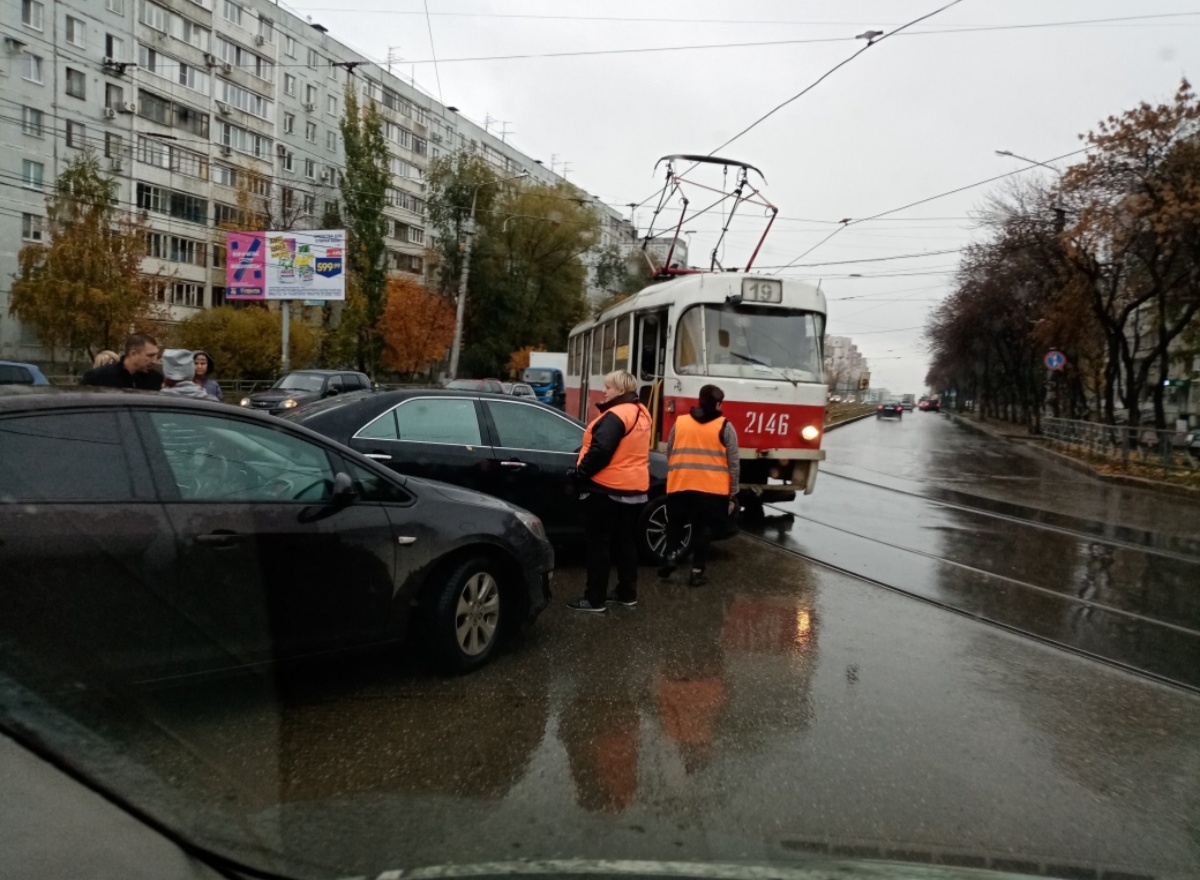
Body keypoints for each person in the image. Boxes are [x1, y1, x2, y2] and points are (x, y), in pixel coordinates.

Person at [566, 369, 652, 613]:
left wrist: (579, 474)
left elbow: (601, 451)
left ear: (621, 390)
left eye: (609, 387)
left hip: (606, 487)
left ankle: (594, 599)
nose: (605, 390)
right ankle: (627, 593)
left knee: (598, 544)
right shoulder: (641, 413)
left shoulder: (615, 415)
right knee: (625, 541)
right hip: (634, 488)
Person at [659, 384, 739, 587]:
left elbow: (670, 450)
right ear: (719, 404)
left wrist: (679, 472)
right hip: (711, 490)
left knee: (675, 523)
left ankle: (669, 557)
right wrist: (733, 491)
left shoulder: (681, 423)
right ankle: (696, 572)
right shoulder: (725, 426)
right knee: (702, 529)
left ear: (699, 400)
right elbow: (733, 462)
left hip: (681, 483)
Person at [80, 333, 163, 390]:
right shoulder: (97, 378)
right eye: (150, 356)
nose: (154, 361)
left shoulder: (155, 379)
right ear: (133, 354)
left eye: (156, 356)